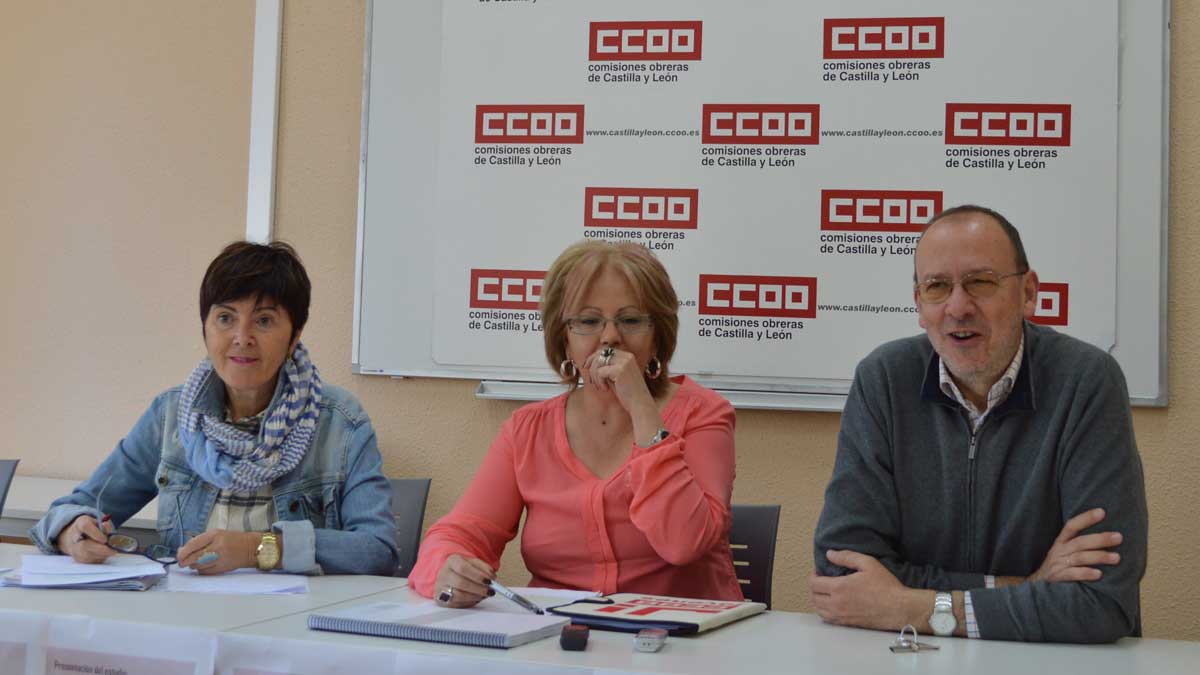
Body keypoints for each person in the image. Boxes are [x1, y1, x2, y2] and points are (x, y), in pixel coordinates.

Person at [810, 205, 1148, 643]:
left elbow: (1102, 602)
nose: (958, 307)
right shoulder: (884, 379)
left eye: (981, 282)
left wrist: (911, 606)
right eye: (937, 287)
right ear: (918, 303)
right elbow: (843, 571)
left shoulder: (1086, 382)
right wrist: (1026, 586)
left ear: (1028, 292)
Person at [30, 241, 399, 576]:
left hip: (295, 628)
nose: (242, 337)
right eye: (225, 318)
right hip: (189, 623)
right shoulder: (172, 415)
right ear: (205, 329)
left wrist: (258, 548)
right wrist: (72, 532)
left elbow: (377, 550)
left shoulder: (341, 422)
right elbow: (73, 508)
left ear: (295, 336)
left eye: (264, 320)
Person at [408, 241, 741, 606]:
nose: (610, 337)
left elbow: (684, 542)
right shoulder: (527, 429)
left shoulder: (704, 414)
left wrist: (643, 410)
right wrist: (446, 570)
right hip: (560, 641)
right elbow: (459, 534)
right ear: (563, 340)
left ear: (658, 336)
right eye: (588, 321)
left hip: (681, 644)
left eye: (630, 320)